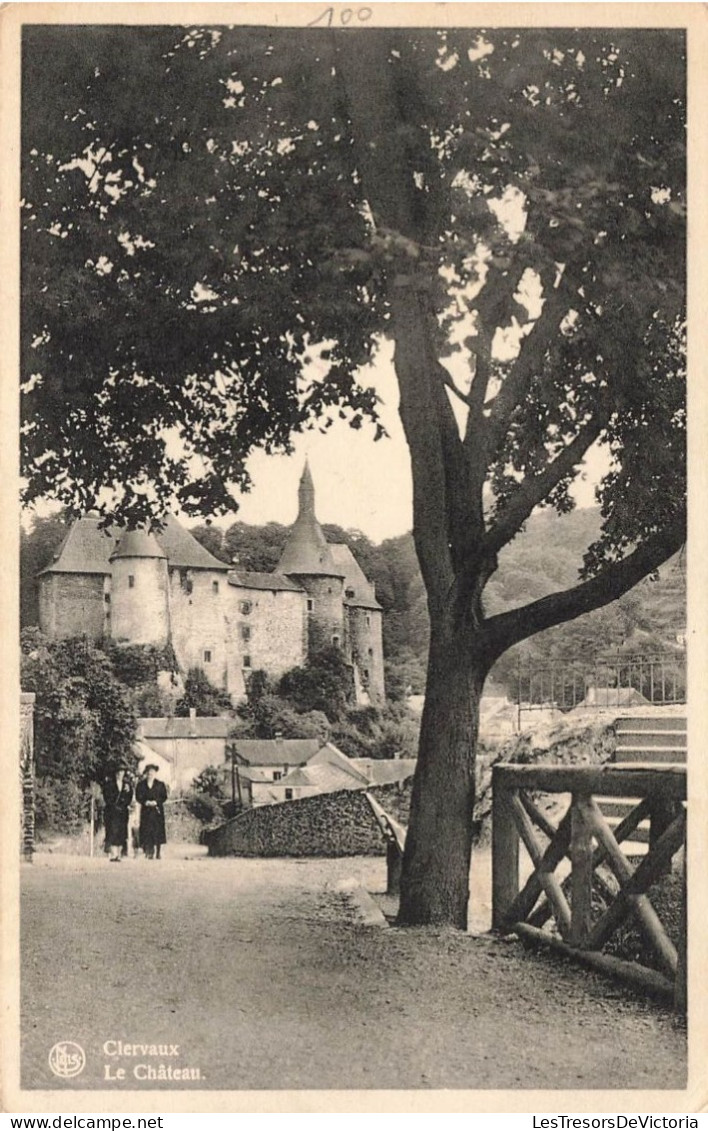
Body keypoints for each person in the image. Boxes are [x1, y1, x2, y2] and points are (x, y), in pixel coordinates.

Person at [102, 764, 134, 863]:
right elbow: (107, 797)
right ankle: (113, 854)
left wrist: (125, 803)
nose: (120, 774)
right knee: (112, 831)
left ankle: (119, 854)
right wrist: (113, 805)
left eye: (122, 772)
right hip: (112, 811)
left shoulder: (127, 785)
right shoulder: (109, 784)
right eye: (118, 772)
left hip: (122, 812)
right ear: (115, 774)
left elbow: (130, 797)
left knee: (122, 832)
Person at [135, 764, 168, 859]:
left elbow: (164, 797)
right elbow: (138, 796)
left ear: (155, 773)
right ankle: (149, 851)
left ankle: (158, 852)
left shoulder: (160, 785)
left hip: (157, 812)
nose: (150, 774)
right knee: (147, 830)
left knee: (158, 831)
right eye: (149, 772)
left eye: (152, 772)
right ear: (146, 773)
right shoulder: (141, 785)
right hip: (146, 812)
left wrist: (156, 802)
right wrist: (145, 802)